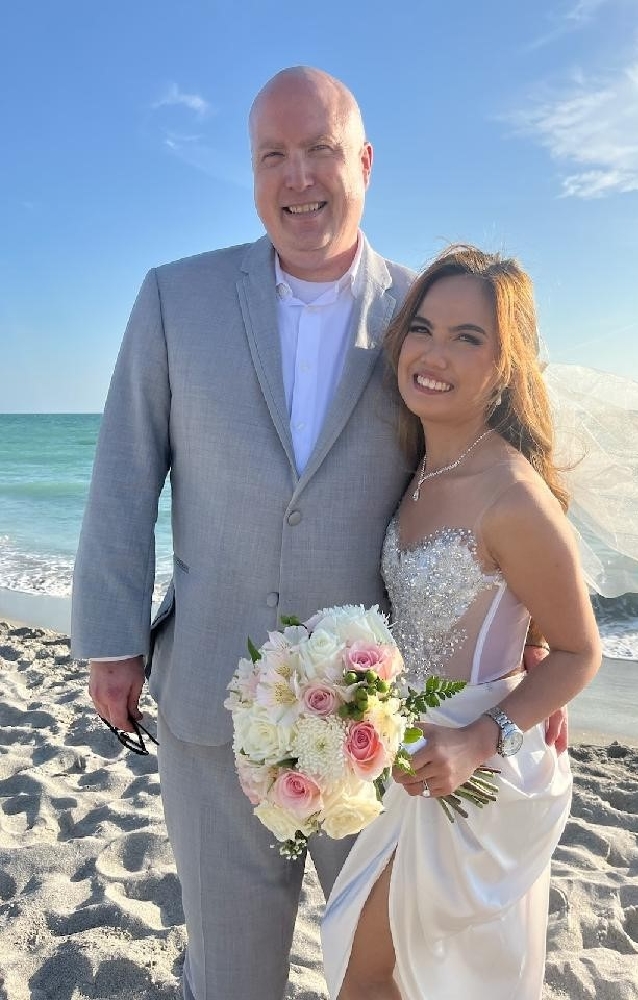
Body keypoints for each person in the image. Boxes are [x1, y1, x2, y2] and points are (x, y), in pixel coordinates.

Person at [72, 68, 565, 999]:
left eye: (320, 150)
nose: (297, 177)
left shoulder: (427, 316)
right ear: (253, 169)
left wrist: (532, 643)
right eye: (273, 155)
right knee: (229, 974)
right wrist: (111, 642)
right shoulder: (175, 296)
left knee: (385, 974)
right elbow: (124, 473)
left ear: (365, 163)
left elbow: (499, 468)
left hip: (384, 724)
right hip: (212, 697)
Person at [322, 246, 603, 1000]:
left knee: (377, 976)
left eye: (466, 337)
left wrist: (482, 738)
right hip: (410, 751)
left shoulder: (513, 496)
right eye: (422, 329)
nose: (434, 354)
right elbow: (522, 617)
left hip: (470, 771)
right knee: (387, 974)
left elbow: (581, 651)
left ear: (505, 365)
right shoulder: (422, 462)